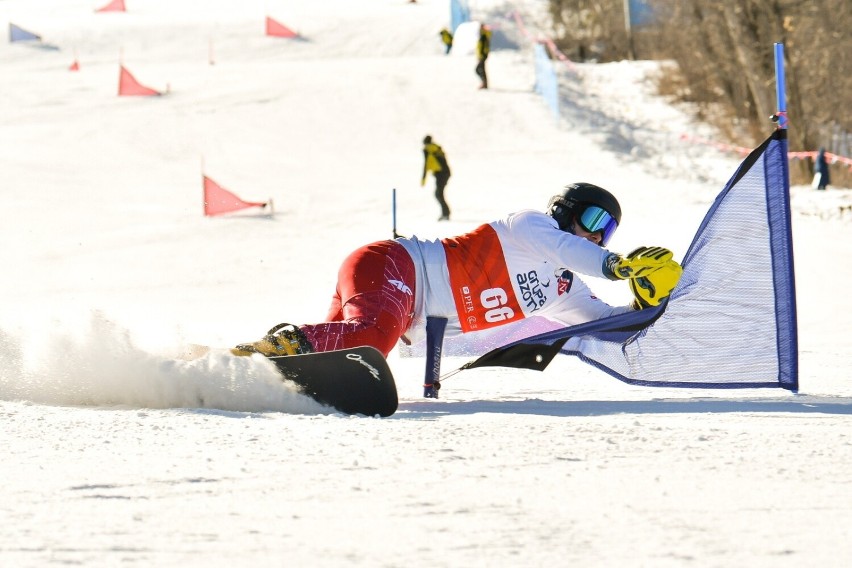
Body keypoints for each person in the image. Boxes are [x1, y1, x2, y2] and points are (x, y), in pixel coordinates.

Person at [231, 183, 683, 359]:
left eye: (608, 231)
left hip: (395, 300)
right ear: (567, 212)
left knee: (334, 358)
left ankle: (247, 361)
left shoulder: (563, 287)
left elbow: (607, 327)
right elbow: (569, 248)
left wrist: (645, 304)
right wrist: (617, 265)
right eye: (594, 222)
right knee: (371, 344)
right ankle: (275, 346)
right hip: (392, 266)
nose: (598, 237)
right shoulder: (531, 226)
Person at [420, 135, 452, 221]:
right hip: (446, 172)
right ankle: (446, 213)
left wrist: (423, 178)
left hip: (440, 174)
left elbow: (426, 164)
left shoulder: (428, 150)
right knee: (439, 194)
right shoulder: (437, 148)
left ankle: (446, 214)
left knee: (438, 194)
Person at [475, 24, 491, 89]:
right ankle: (484, 83)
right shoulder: (482, 35)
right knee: (481, 70)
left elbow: (485, 47)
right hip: (481, 56)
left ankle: (484, 83)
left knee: (478, 69)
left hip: (482, 56)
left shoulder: (484, 36)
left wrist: (482, 55)